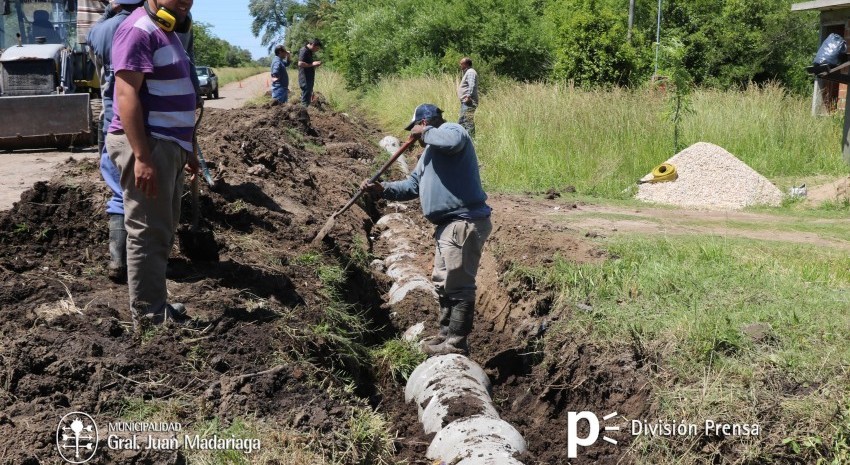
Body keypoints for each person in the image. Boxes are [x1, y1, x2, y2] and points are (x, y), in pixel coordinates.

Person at [363, 104, 492, 356]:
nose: (414, 135)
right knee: (443, 283)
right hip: (447, 226)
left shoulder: (452, 132)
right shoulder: (428, 156)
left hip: (463, 221)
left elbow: (450, 140)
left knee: (459, 284)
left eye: (415, 128)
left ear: (425, 122)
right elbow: (412, 187)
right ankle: (445, 335)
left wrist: (427, 131)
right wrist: (382, 188)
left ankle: (456, 343)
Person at [89, 0, 199, 284]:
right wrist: (141, 155)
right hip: (137, 131)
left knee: (136, 209)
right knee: (145, 224)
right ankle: (147, 307)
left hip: (142, 131)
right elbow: (127, 95)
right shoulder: (137, 29)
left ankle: (130, 270)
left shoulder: (103, 29)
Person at [297, 38, 322, 106]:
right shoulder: (304, 50)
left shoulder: (309, 51)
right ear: (313, 45)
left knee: (307, 96)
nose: (317, 50)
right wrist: (313, 64)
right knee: (305, 99)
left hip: (308, 78)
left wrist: (314, 64)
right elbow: (300, 63)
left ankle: (305, 111)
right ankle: (303, 113)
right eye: (317, 48)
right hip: (305, 78)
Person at [457, 57, 478, 136]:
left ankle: (471, 141)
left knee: (468, 122)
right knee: (462, 121)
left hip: (469, 101)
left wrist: (468, 97)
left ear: (466, 64)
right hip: (466, 102)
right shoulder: (468, 72)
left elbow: (471, 85)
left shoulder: (470, 72)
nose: (460, 65)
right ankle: (463, 140)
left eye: (461, 64)